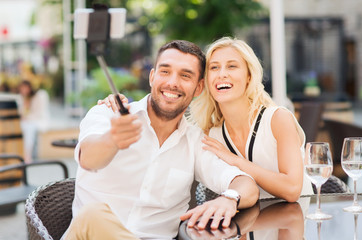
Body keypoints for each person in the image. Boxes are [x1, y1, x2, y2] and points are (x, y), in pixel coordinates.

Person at [64, 40, 259, 239]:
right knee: (92, 215)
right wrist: (112, 139)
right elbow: (88, 158)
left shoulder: (194, 142)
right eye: (165, 71)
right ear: (152, 77)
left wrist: (229, 198)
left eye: (185, 75)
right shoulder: (107, 114)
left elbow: (247, 186)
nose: (172, 82)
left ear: (199, 87)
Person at [103, 37, 313, 202]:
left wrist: (236, 161)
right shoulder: (209, 135)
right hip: (250, 227)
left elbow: (292, 189)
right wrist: (117, 102)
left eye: (232, 66)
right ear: (204, 83)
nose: (222, 74)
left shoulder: (277, 119)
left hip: (297, 223)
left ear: (249, 76)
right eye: (214, 67)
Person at [18, 80, 50, 162]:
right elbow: (21, 113)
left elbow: (38, 113)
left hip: (36, 121)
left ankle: (27, 155)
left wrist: (27, 117)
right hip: (26, 122)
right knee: (25, 127)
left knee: (29, 128)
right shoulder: (22, 98)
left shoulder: (38, 96)